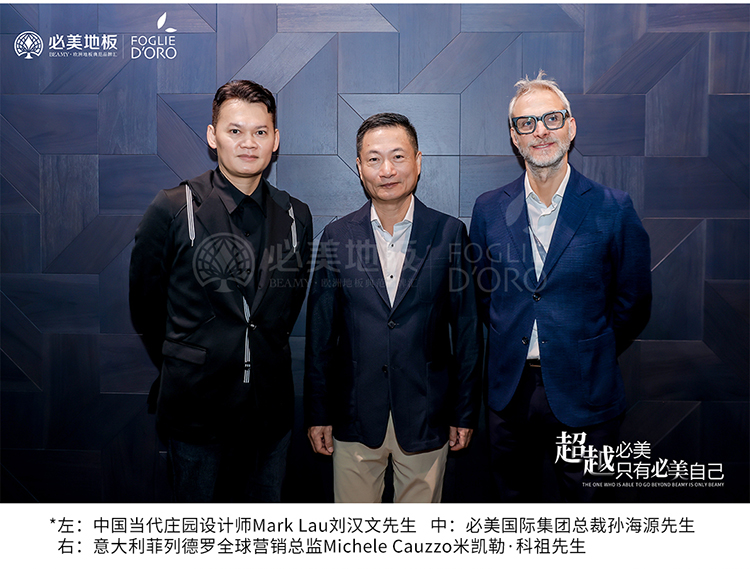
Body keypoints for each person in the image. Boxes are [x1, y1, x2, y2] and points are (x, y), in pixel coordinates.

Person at [469, 71, 652, 502]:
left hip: (586, 389)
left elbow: (634, 302)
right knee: (512, 512)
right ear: (514, 137)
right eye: (527, 123)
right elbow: (482, 294)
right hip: (510, 393)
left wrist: (589, 348)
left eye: (552, 119)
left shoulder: (613, 208)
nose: (541, 131)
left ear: (571, 126)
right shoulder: (489, 208)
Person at [129, 80, 313, 502]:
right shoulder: (174, 207)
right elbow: (145, 305)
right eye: (235, 131)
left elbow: (286, 306)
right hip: (196, 408)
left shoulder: (295, 215)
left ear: (275, 139)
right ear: (213, 137)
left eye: (260, 131)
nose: (249, 143)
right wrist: (187, 356)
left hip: (270, 411)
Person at [305, 112, 482, 503]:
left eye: (398, 157)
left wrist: (464, 411)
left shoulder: (449, 233)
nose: (387, 170)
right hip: (353, 416)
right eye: (374, 159)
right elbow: (320, 336)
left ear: (417, 161)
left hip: (426, 414)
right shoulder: (336, 236)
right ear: (359, 167)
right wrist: (318, 412)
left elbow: (467, 331)